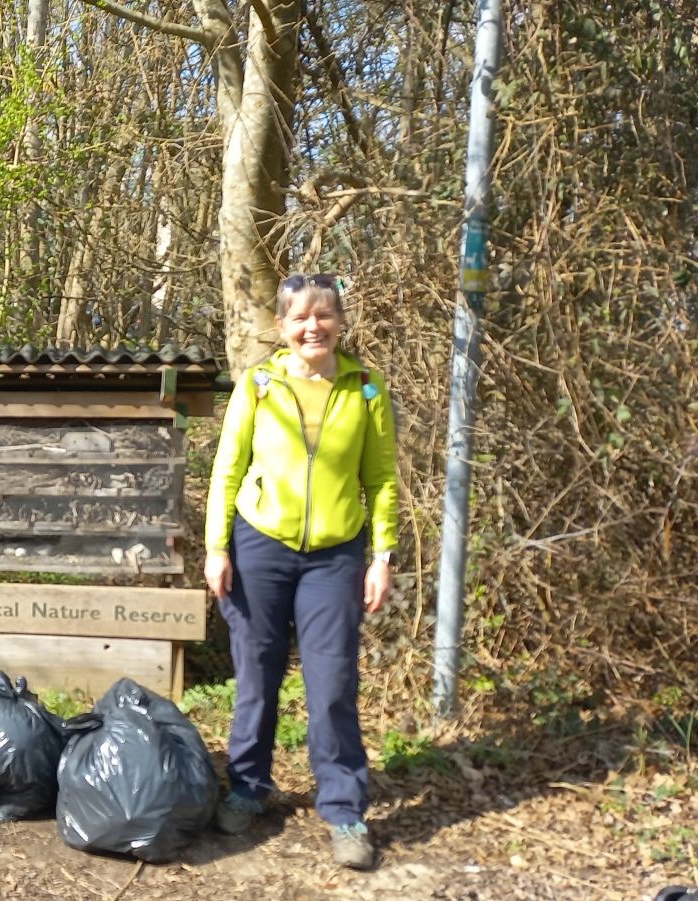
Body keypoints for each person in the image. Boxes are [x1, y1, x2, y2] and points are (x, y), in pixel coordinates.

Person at [203, 272, 399, 870]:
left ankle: (343, 810)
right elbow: (228, 467)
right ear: (282, 327)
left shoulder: (366, 388)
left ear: (340, 321)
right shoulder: (258, 385)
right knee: (257, 672)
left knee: (333, 681)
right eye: (300, 318)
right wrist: (217, 547)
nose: (313, 326)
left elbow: (382, 478)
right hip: (259, 544)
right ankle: (247, 788)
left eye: (324, 315)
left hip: (336, 553)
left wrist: (382, 555)